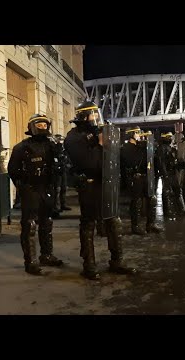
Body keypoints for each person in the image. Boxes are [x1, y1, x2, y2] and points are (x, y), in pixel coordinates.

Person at [64, 100, 136, 280]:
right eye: (92, 115)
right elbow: (88, 163)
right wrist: (100, 145)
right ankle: (89, 265)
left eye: (97, 114)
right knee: (89, 225)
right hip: (89, 185)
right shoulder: (74, 137)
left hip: (106, 184)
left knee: (113, 222)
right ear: (83, 117)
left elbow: (112, 158)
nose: (96, 118)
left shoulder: (98, 133)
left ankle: (117, 261)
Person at [8, 114, 64, 276]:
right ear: (32, 127)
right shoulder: (22, 147)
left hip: (47, 187)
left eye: (45, 125)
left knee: (47, 222)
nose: (43, 128)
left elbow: (60, 165)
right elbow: (13, 170)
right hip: (31, 189)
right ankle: (30, 261)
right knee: (29, 225)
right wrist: (22, 185)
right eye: (39, 125)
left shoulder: (52, 145)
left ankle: (46, 254)